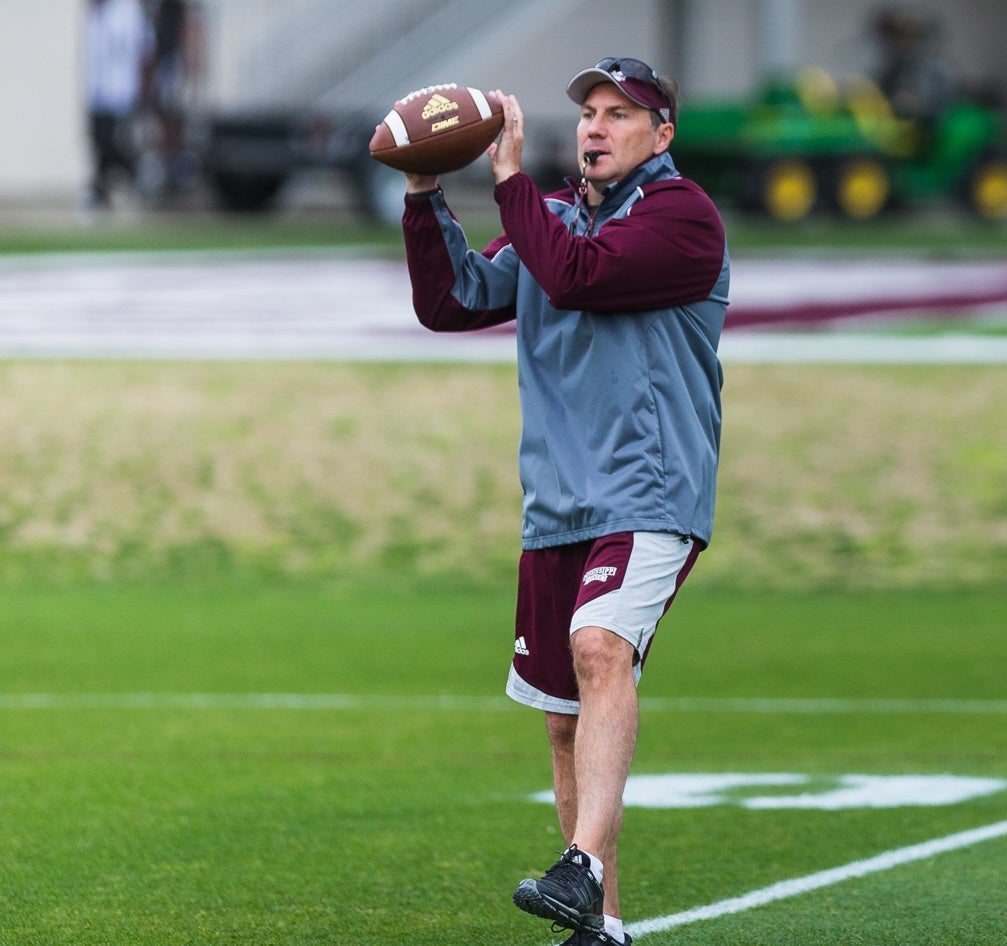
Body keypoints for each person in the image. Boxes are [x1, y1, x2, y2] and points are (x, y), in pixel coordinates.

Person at [397, 57, 729, 946]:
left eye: (622, 114)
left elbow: (579, 275)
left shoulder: (681, 218)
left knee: (597, 648)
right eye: (587, 110)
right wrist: (425, 192)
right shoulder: (549, 223)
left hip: (649, 489)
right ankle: (604, 925)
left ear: (661, 136)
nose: (595, 126)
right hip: (557, 502)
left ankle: (580, 870)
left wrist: (505, 180)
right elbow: (453, 299)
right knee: (560, 717)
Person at [84, 0, 155, 207]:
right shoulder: (96, 11)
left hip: (121, 92)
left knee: (114, 142)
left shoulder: (128, 9)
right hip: (98, 92)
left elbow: (145, 50)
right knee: (99, 143)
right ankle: (101, 189)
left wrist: (144, 88)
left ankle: (136, 173)